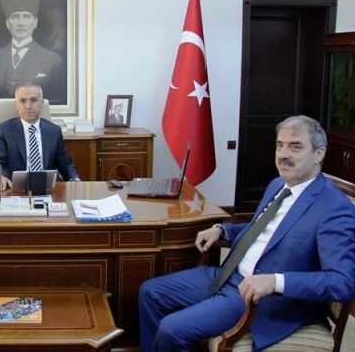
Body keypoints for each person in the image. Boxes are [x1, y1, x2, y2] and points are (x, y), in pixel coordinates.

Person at [138, 115, 355, 352]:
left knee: (172, 329)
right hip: (229, 274)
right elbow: (259, 228)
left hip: (260, 298)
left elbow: (342, 282)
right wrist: (222, 229)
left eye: (295, 147)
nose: (283, 154)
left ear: (319, 154)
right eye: (279, 145)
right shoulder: (278, 185)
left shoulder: (334, 208)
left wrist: (276, 281)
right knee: (150, 293)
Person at [0, 83, 80, 191]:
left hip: (48, 189)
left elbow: (66, 164)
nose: (28, 106)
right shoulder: (3, 130)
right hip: (14, 189)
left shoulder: (54, 131)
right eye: (22, 101)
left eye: (33, 100)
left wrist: (74, 179)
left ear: (41, 103)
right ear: (16, 105)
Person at [0, 0, 64, 104]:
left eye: (26, 17)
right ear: (7, 23)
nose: (21, 23)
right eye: (15, 17)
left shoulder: (53, 61)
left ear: (35, 22)